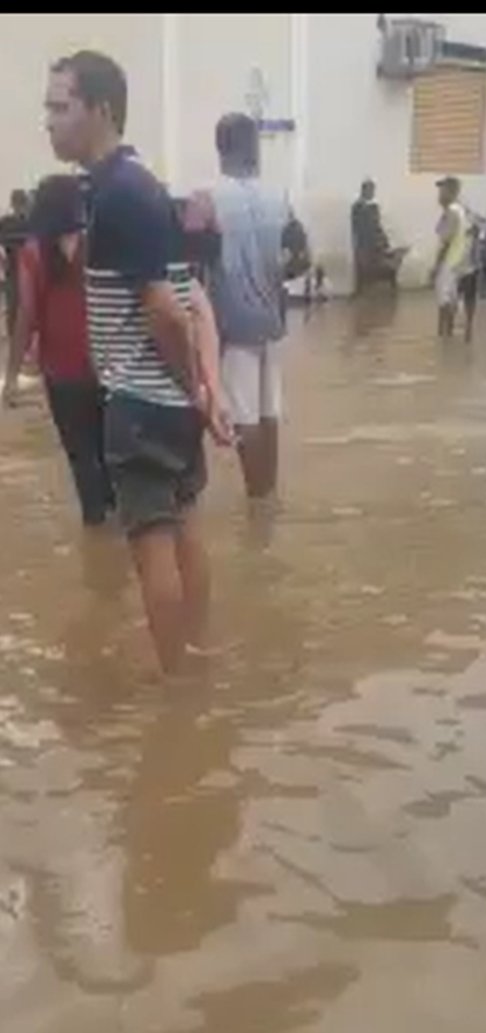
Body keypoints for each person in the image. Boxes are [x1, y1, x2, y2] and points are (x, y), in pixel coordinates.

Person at [45, 49, 232, 673]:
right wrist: (205, 391)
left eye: (59, 106)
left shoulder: (122, 194)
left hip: (140, 402)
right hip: (169, 403)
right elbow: (193, 297)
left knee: (153, 548)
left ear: (99, 110)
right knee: (187, 528)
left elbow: (169, 312)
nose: (48, 121)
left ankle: (175, 686)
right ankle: (198, 653)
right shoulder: (131, 188)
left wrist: (195, 386)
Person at [185, 112, 304, 500]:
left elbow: (186, 268)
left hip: (232, 325)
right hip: (273, 320)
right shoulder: (280, 198)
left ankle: (256, 499)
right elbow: (302, 258)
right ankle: (268, 495)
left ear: (220, 148)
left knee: (243, 415)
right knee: (269, 412)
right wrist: (272, 277)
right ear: (255, 147)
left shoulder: (205, 201)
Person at [2, 174, 115, 525]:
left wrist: (11, 376)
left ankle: (96, 528)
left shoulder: (34, 253)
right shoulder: (98, 244)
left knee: (80, 455)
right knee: (109, 449)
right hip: (106, 364)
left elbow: (26, 318)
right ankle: (121, 530)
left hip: (61, 372)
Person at [431, 175, 477, 342]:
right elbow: (475, 230)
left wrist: (436, 266)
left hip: (451, 263)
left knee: (445, 301)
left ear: (451, 192)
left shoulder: (451, 212)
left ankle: (445, 337)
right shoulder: (465, 210)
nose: (439, 194)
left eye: (442, 190)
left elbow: (445, 241)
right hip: (467, 263)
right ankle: (466, 335)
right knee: (463, 300)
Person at [350, 179, 406, 294]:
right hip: (365, 246)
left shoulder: (374, 207)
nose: (372, 193)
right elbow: (359, 229)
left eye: (373, 190)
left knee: (396, 255)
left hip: (376, 245)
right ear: (363, 191)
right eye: (370, 190)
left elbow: (377, 226)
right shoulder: (357, 208)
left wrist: (385, 242)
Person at [0, 188, 32, 338]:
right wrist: (2, 260)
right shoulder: (5, 223)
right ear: (13, 204)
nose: (20, 208)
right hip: (12, 269)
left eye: (22, 204)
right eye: (18, 204)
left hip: (29, 269)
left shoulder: (31, 222)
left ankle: (26, 340)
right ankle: (14, 338)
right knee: (13, 305)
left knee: (27, 305)